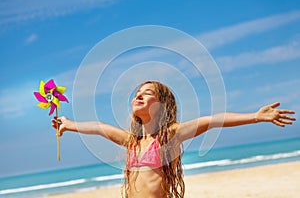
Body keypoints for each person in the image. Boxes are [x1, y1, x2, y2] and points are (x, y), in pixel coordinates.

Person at [52, 80, 296, 198]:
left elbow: (212, 120)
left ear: (161, 106)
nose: (139, 95)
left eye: (147, 93)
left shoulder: (171, 135)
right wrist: (70, 125)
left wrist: (255, 116)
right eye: (137, 93)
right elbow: (99, 127)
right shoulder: (132, 141)